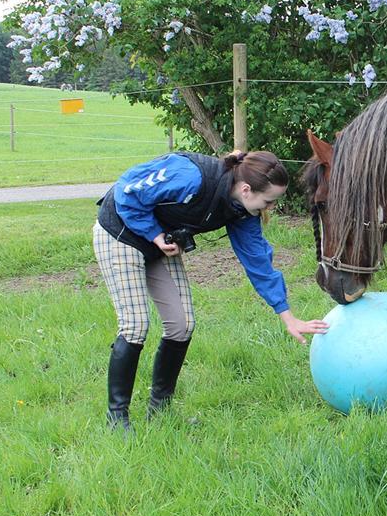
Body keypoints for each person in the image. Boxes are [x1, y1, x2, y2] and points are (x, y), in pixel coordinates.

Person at [93, 149, 328, 431]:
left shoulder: (242, 211)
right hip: (120, 231)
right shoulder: (191, 176)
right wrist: (154, 234)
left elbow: (258, 263)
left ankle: (161, 413)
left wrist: (288, 316)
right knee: (135, 326)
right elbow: (127, 192)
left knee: (182, 325)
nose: (270, 208)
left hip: (158, 244)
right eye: (269, 201)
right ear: (246, 189)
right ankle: (117, 419)